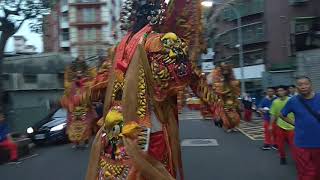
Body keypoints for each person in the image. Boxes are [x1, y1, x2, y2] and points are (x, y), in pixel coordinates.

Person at [86, 1, 241, 179]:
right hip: (148, 132)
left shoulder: (117, 49)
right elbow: (191, 78)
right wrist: (218, 108)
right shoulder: (159, 43)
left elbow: (95, 90)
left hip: (112, 132)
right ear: (160, 15)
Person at [281, 76, 320, 180]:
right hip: (301, 144)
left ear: (311, 85)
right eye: (300, 84)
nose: (303, 86)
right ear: (297, 87)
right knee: (307, 173)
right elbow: (282, 114)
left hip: (319, 143)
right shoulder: (293, 101)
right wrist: (294, 123)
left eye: (306, 84)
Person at [61, 56, 97, 149]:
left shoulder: (86, 84)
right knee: (73, 127)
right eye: (77, 72)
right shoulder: (71, 84)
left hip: (84, 108)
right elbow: (67, 95)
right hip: (74, 110)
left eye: (81, 72)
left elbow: (90, 93)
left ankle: (85, 141)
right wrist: (70, 102)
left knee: (86, 126)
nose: (79, 73)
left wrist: (84, 97)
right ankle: (76, 143)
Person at [269, 85, 295, 165]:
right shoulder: (275, 102)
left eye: (282, 90)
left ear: (286, 91)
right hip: (280, 126)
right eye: (278, 91)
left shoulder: (291, 100)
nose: (280, 92)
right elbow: (273, 114)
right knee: (280, 144)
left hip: (291, 126)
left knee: (294, 145)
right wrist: (270, 125)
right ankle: (282, 157)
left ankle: (297, 158)